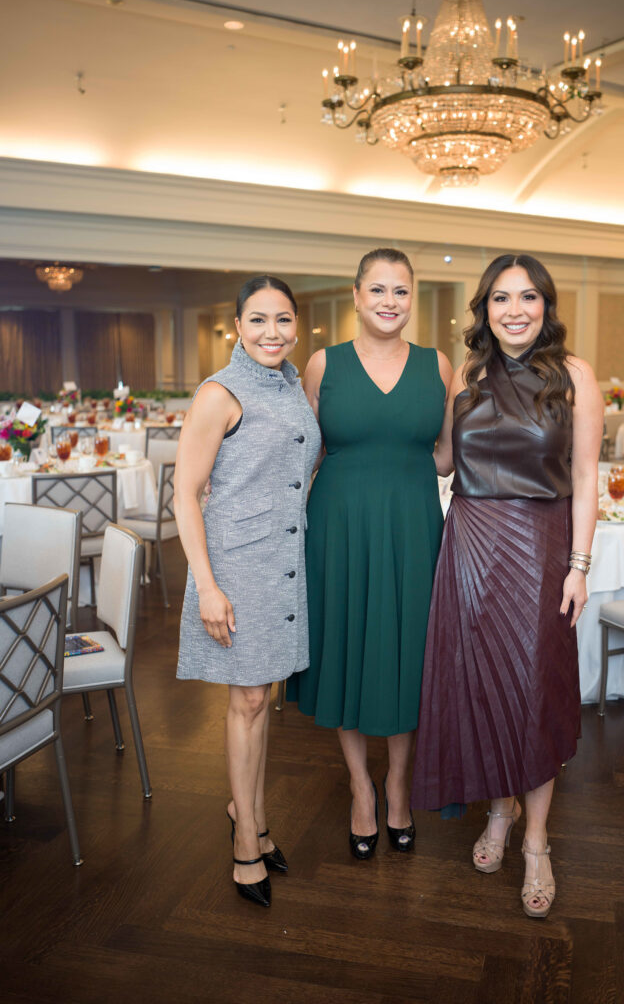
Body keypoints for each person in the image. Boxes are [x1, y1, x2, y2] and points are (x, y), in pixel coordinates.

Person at [411, 253, 603, 918]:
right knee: (481, 690)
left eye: (528, 298)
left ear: (546, 307)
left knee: (534, 693)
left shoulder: (575, 377)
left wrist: (580, 565)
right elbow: (440, 457)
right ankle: (500, 812)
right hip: (467, 546)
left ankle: (538, 841)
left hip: (541, 549)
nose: (515, 310)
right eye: (500, 298)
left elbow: (585, 480)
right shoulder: (467, 374)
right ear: (484, 309)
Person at [288, 248, 453, 858]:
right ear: (355, 296)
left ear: (414, 299)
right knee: (351, 651)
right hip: (338, 527)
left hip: (413, 526)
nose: (389, 301)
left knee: (409, 655)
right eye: (377, 289)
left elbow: (446, 455)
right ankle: (361, 786)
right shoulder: (321, 364)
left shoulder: (440, 366)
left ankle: (399, 784)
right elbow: (306, 456)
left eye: (401, 291)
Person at [175, 275, 321, 907]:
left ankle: (253, 815)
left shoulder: (290, 383)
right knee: (250, 701)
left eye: (283, 320)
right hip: (237, 564)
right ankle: (244, 847)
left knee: (264, 699)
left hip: (286, 559)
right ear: (237, 325)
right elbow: (183, 493)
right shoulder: (219, 391)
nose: (272, 333)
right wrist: (207, 586)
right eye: (258, 320)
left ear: (297, 326)